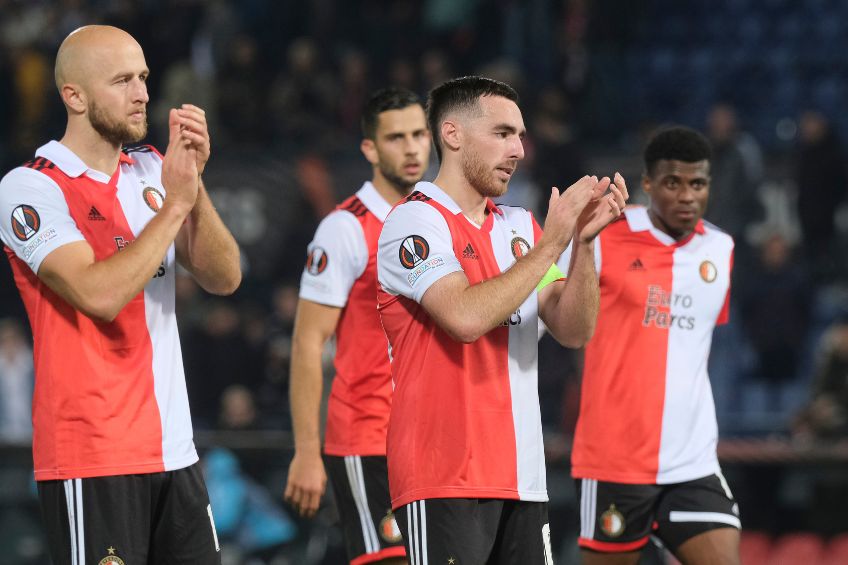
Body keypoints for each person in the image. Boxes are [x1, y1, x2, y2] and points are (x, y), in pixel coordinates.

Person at [0, 25, 241, 564]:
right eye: (122, 81)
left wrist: (193, 186)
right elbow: (97, 293)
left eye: (143, 78)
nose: (142, 94)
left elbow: (224, 278)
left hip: (175, 448)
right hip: (92, 456)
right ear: (75, 96)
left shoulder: (155, 171)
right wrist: (176, 205)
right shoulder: (30, 187)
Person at [376, 75, 627, 563]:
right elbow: (465, 318)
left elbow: (574, 330)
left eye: (520, 135)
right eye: (502, 133)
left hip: (523, 478)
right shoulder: (414, 221)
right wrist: (553, 242)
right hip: (443, 478)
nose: (519, 149)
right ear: (452, 135)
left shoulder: (520, 227)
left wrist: (584, 245)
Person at [562, 127, 740, 564]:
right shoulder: (604, 235)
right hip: (615, 459)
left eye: (697, 184)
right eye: (672, 183)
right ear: (647, 183)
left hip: (693, 461)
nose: (686, 195)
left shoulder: (720, 249)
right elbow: (565, 319)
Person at [284, 87, 431, 565]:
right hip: (368, 437)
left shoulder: (439, 221)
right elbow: (308, 342)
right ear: (369, 148)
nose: (411, 148)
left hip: (432, 438)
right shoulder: (345, 227)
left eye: (418, 134)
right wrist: (308, 452)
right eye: (395, 138)